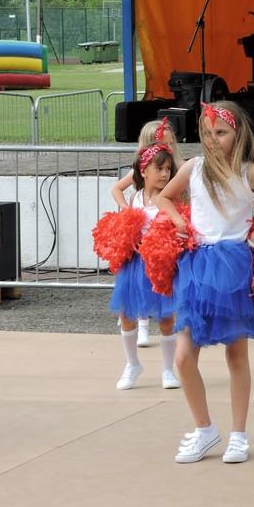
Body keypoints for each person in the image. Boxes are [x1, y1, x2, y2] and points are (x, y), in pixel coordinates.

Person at [156, 101, 254, 464]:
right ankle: (204, 429)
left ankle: (239, 435)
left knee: (236, 354)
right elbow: (163, 197)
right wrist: (177, 219)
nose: (213, 140)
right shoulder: (193, 168)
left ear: (238, 134)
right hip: (196, 266)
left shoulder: (249, 173)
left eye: (220, 133)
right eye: (207, 133)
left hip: (233, 267)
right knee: (183, 356)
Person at [108, 126, 180, 391]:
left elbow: (178, 226)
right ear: (144, 171)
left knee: (166, 318)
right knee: (127, 314)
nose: (164, 174)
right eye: (159, 169)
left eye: (168, 170)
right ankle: (132, 364)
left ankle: (168, 370)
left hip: (161, 265)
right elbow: (125, 217)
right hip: (135, 264)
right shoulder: (136, 197)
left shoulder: (168, 199)